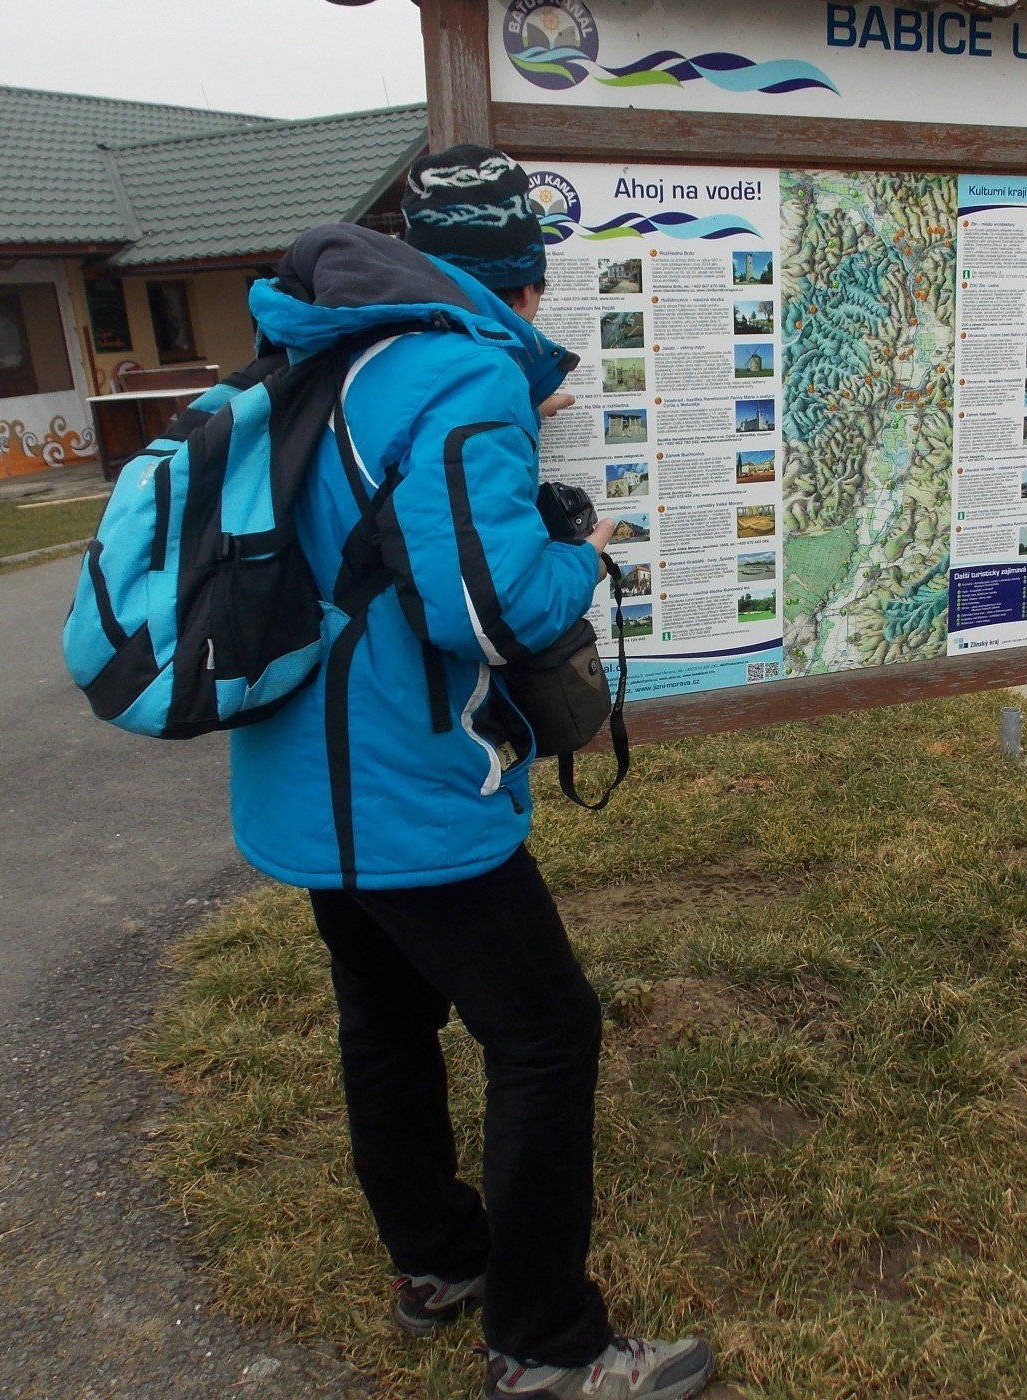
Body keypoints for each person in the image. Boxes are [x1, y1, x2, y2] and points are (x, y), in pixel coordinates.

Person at [228, 146, 714, 1400]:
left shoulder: (338, 349)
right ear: (520, 276)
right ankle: (546, 1342)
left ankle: (438, 1260)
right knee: (547, 1030)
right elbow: (482, 609)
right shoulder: (460, 372)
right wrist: (588, 560)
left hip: (308, 769)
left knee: (385, 1022)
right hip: (405, 784)